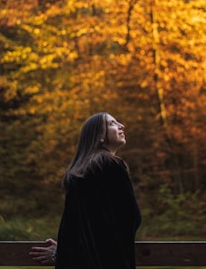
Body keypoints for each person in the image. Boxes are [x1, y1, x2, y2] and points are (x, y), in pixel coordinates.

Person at [30, 112, 141, 269]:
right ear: (99, 136)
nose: (121, 125)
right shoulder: (111, 165)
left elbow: (75, 227)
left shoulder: (79, 172)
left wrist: (64, 252)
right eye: (112, 123)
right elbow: (130, 217)